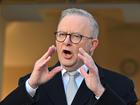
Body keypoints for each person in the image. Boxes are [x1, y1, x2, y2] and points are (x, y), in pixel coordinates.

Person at [0, 8, 137, 105]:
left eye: (76, 36)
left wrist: (100, 92)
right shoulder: (31, 84)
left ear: (93, 44)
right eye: (61, 34)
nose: (66, 41)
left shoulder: (121, 85)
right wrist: (30, 86)